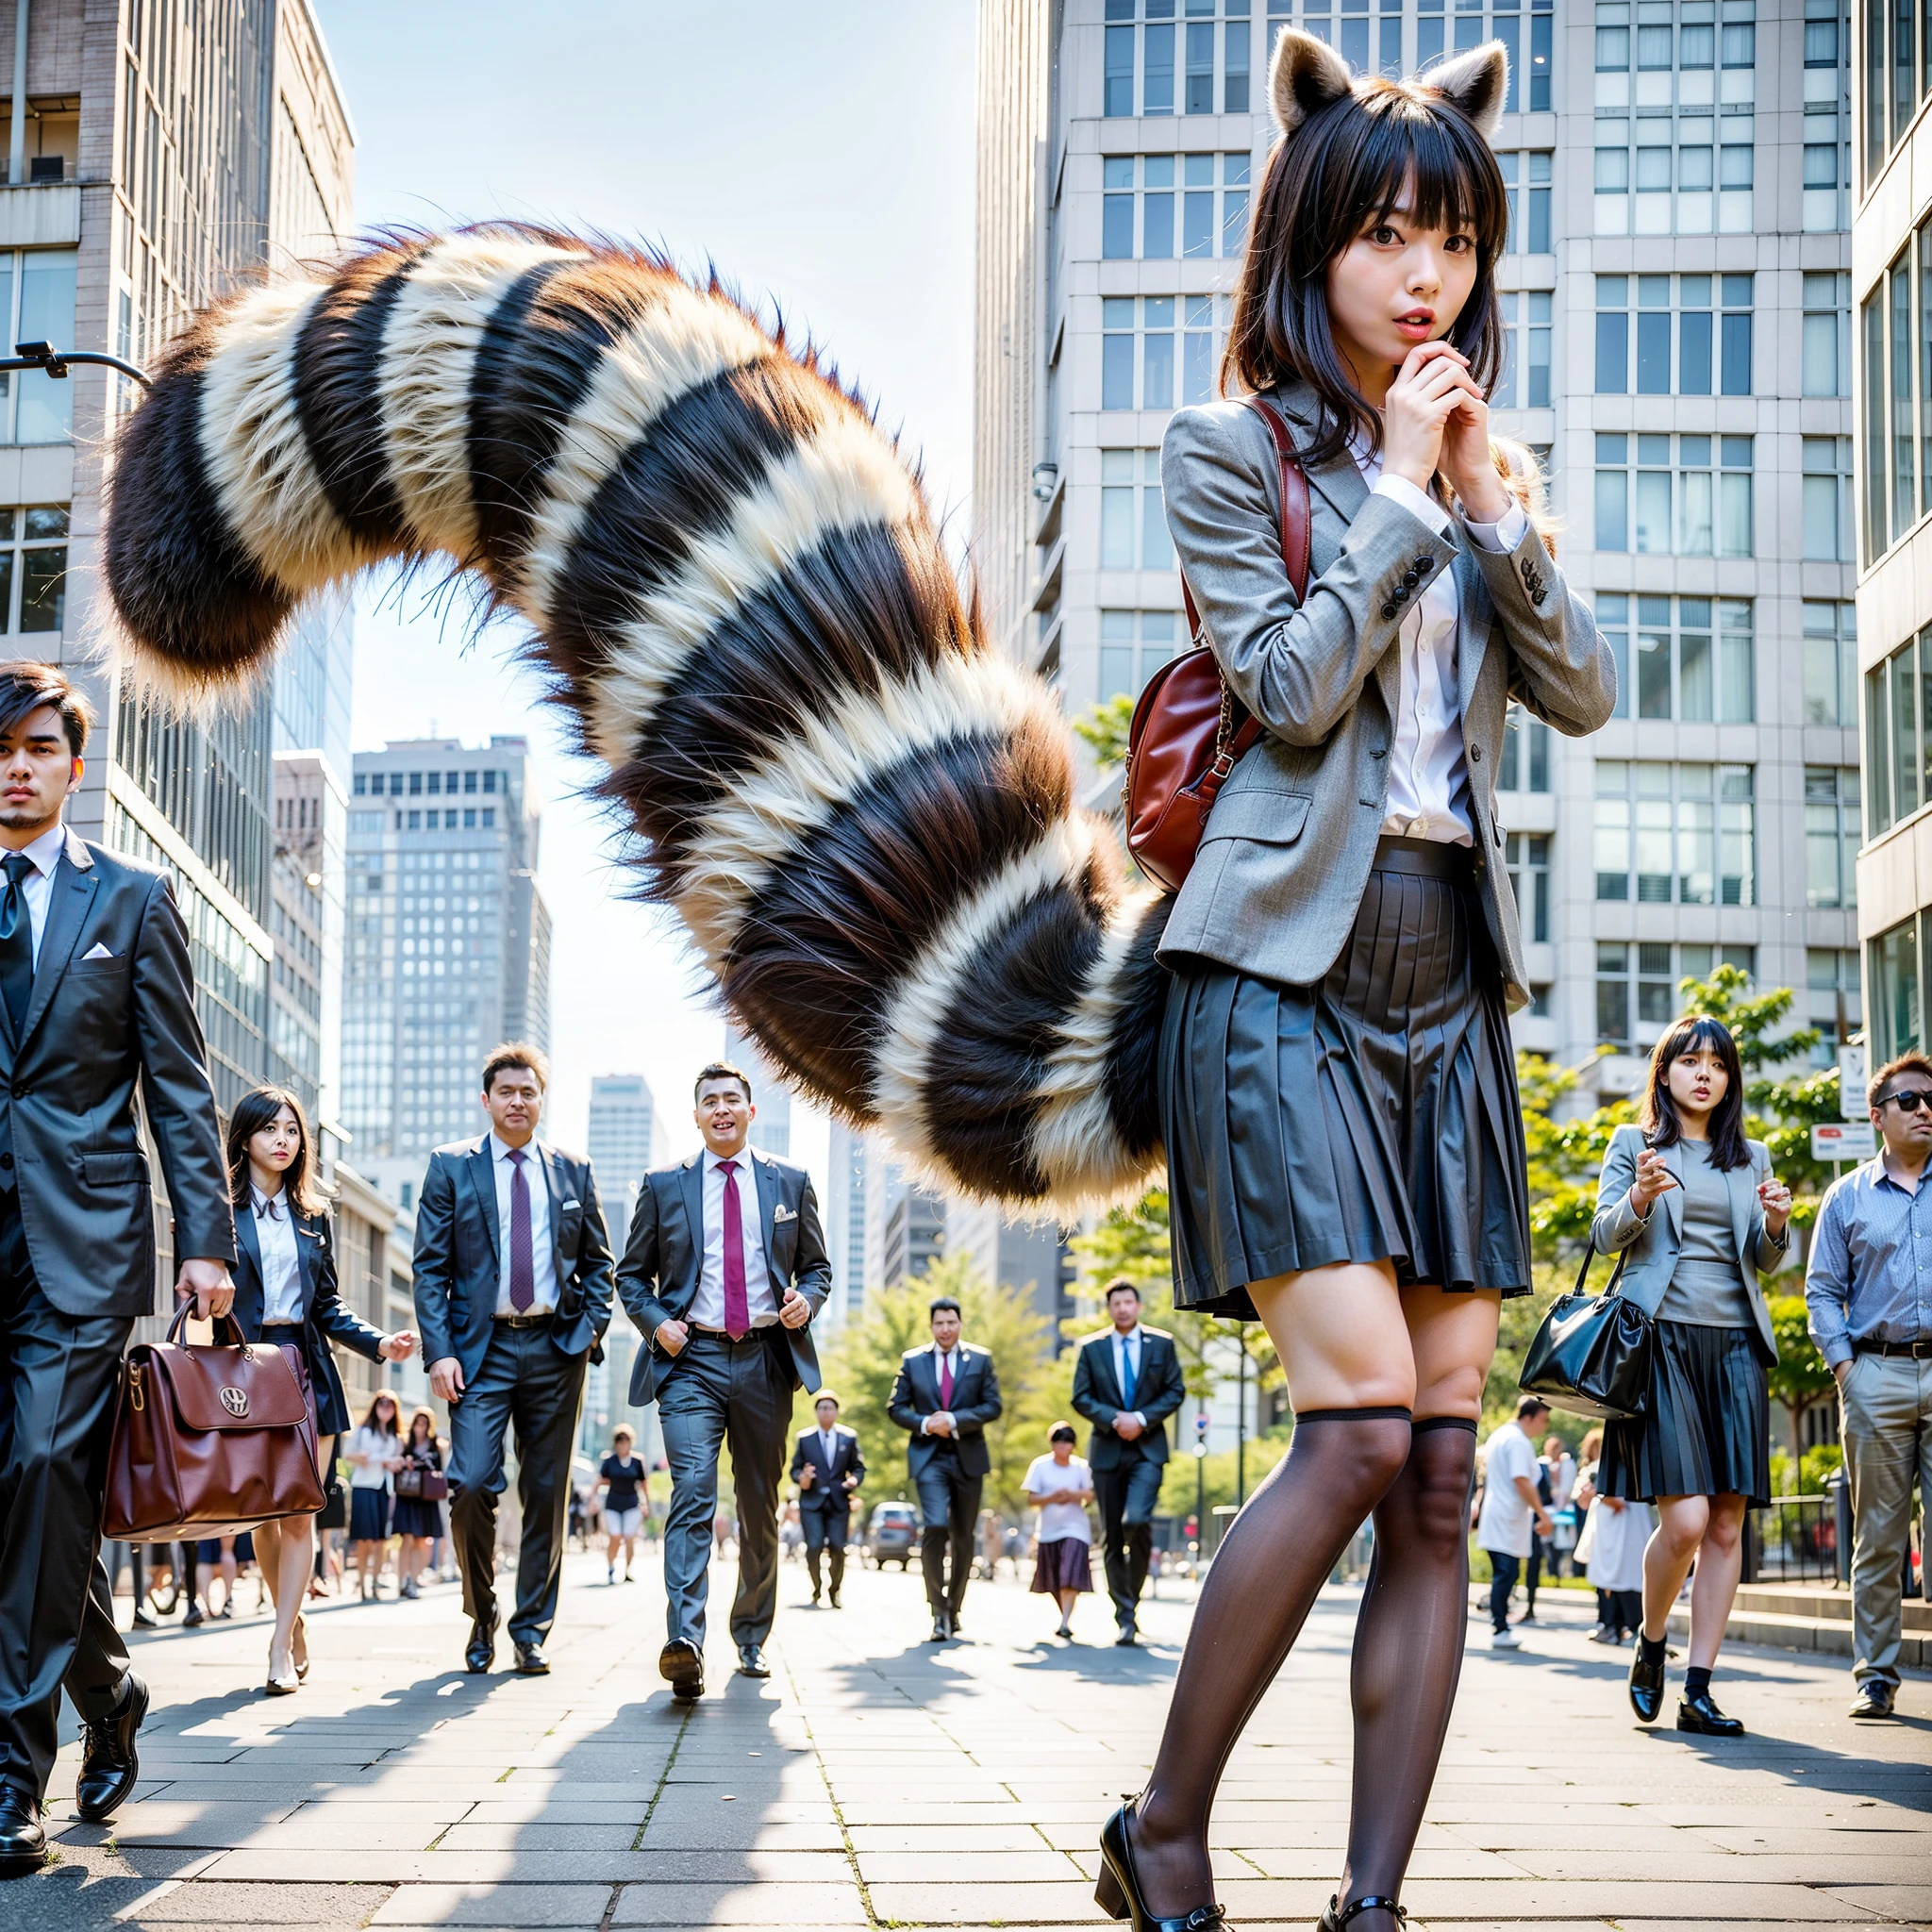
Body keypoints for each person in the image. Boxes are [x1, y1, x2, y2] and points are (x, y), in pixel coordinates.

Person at [1094, 39, 1616, 1926]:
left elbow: (1582, 690)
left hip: (1441, 980)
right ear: (1310, 244)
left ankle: (1373, 1900)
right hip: (1274, 978)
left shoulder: (1469, 470)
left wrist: (1488, 502)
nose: (1424, 276)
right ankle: (1164, 1821)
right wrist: (1397, 485)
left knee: (1441, 1473)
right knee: (1361, 1426)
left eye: (1455, 238)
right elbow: (1294, 690)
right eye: (1386, 233)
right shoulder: (1223, 454)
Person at [0, 665, 242, 1876]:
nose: (17, 766)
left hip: (82, 1245)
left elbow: (182, 1088)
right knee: (29, 1506)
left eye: (40, 747)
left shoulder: (132, 902)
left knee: (46, 1465)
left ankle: (7, 1775)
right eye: (3, 748)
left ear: (72, 764)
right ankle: (111, 1688)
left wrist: (208, 1241)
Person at [1594, 1015, 1790, 1738]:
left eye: (1717, 1064)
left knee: (1728, 1520)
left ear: (1730, 1079)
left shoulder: (1753, 1155)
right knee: (1685, 1520)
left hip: (1737, 1340)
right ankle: (1651, 1643)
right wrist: (1640, 1197)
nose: (1705, 1073)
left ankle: (1699, 1687)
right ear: (1666, 1073)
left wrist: (1775, 1225)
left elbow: (1767, 1261)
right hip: (1663, 1341)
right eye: (1690, 1061)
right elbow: (1601, 1232)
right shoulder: (1634, 1144)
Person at [616, 1061, 831, 1701]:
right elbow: (630, 1277)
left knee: (759, 1507)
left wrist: (806, 1303)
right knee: (691, 1491)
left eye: (731, 1099)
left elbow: (818, 1267)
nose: (721, 1109)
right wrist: (658, 1322)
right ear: (697, 1116)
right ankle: (684, 1639)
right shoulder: (663, 1185)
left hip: (767, 1359)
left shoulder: (790, 1179)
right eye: (709, 1100)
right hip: (692, 1363)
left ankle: (751, 1633)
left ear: (750, 1110)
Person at [414, 1041, 615, 1677]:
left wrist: (588, 1328)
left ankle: (531, 1630)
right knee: (471, 1483)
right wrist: (439, 1352)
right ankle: (482, 1614)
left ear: (540, 1099)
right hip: (480, 1351)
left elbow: (599, 1265)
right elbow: (429, 1269)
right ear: (487, 1100)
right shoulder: (452, 1167)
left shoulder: (573, 1170)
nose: (518, 1101)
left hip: (558, 1348)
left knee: (547, 1493)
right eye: (507, 1092)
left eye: (529, 1092)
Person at [227, 1084, 416, 1686]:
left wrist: (380, 1343)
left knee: (303, 1512)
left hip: (306, 1370)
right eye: (269, 1130)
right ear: (246, 1139)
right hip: (244, 1371)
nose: (282, 1141)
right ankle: (294, 1617)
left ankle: (279, 1644)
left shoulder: (314, 1216)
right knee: (263, 1514)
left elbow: (328, 1306)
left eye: (291, 1130)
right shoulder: (219, 1209)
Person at [1806, 1050, 1932, 1722]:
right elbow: (1822, 1290)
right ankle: (1876, 1675)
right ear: (1879, 1115)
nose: (1924, 1110)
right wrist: (1847, 1371)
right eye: (1910, 1101)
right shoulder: (1847, 1196)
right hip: (1876, 1372)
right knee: (1879, 1535)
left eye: (1930, 1100)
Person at [1072, 1279, 1187, 1646]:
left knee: (1137, 1520)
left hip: (1148, 1450)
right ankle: (1125, 1615)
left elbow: (1175, 1391)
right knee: (1112, 1535)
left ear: (1138, 1306)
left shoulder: (1162, 1343)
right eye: (1115, 1303)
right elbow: (1081, 1396)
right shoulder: (1092, 1348)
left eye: (1128, 1302)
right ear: (1109, 1309)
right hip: (1107, 1451)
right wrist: (1114, 1419)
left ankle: (1130, 1602)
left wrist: (1140, 1419)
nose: (1122, 1308)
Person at [889, 1296, 1004, 1642]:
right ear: (931, 1326)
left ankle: (954, 1608)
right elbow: (895, 1408)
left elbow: (993, 1406)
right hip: (929, 1458)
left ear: (960, 1324)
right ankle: (937, 1610)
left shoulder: (980, 1360)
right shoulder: (913, 1361)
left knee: (965, 1538)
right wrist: (926, 1423)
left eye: (951, 1322)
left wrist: (954, 1420)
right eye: (939, 1323)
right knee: (935, 1525)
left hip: (968, 1457)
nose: (945, 1329)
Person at [1475, 1397, 1552, 1649]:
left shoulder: (1501, 1435)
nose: (1545, 1426)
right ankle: (1500, 1628)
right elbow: (1521, 1480)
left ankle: (1501, 1625)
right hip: (1506, 1515)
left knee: (1506, 1573)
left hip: (1501, 1514)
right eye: (1543, 1420)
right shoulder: (1518, 1441)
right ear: (1528, 1417)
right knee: (1506, 1573)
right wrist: (1542, 1513)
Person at [791, 1393, 864, 1607]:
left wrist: (854, 1481)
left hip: (839, 1502)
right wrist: (802, 1477)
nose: (825, 1411)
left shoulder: (849, 1438)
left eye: (830, 1407)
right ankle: (816, 1587)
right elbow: (795, 1469)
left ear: (836, 1411)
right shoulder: (805, 1438)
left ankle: (834, 1590)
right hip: (812, 1502)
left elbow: (858, 1467)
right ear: (816, 1411)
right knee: (813, 1546)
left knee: (837, 1547)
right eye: (821, 1407)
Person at [1024, 1424, 1096, 1641]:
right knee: (1055, 1579)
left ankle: (1065, 1622)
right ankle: (1064, 1616)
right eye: (1058, 1442)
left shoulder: (1081, 1467)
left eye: (1066, 1442)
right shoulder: (1041, 1465)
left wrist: (1072, 1495)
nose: (1062, 1446)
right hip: (1048, 1530)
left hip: (1076, 1528)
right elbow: (1031, 1498)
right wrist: (1052, 1497)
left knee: (1069, 1574)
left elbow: (1090, 1495)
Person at [1574, 1429, 1645, 1645]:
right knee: (1608, 1579)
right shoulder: (1597, 1469)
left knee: (1623, 1579)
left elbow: (1618, 1502)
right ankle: (1610, 1625)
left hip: (1625, 1531)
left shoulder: (1627, 1467)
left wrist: (1598, 1492)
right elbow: (1583, 1501)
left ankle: (1629, 1627)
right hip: (1606, 1530)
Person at [346, 1392, 404, 1600]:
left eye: (390, 1406)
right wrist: (369, 1458)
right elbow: (348, 1454)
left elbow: (397, 1460)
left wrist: (394, 1462)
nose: (386, 1409)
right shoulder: (362, 1432)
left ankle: (376, 1581)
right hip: (364, 1487)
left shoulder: (394, 1437)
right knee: (364, 1540)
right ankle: (362, 1584)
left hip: (384, 1488)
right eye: (382, 1405)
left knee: (381, 1540)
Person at [393, 1409, 445, 1600]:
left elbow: (440, 1470)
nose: (420, 1427)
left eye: (424, 1423)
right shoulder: (405, 1443)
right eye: (418, 1423)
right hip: (407, 1495)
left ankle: (413, 1581)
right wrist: (405, 1460)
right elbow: (396, 1465)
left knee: (421, 1541)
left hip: (425, 1498)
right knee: (406, 1539)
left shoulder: (436, 1446)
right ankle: (401, 1581)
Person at [598, 1426, 648, 1585]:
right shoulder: (609, 1461)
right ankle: (611, 1566)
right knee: (615, 1535)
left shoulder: (637, 1461)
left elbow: (643, 1483)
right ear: (615, 1443)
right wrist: (593, 1498)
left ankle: (627, 1570)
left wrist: (646, 1503)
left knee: (629, 1537)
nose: (622, 1445)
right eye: (619, 1441)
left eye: (626, 1441)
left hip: (632, 1504)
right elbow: (600, 1480)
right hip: (613, 1503)